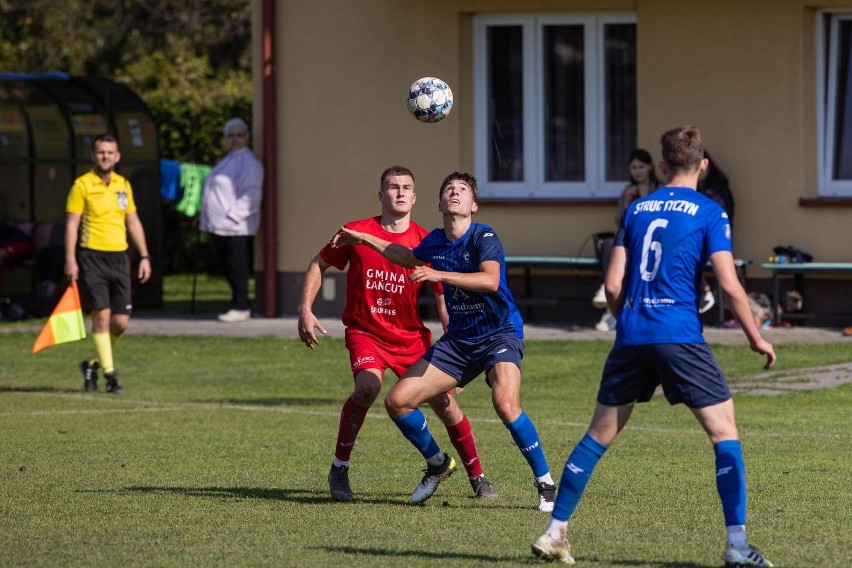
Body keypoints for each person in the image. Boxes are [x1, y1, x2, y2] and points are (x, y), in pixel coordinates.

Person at [531, 126, 777, 566]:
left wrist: (627, 316)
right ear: (702, 165)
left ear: (662, 166)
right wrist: (756, 338)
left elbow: (612, 283)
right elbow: (729, 285)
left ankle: (555, 532)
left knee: (596, 436)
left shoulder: (638, 208)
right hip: (679, 334)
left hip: (632, 334)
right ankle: (738, 547)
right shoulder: (710, 211)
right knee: (724, 433)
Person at [333, 171, 556, 511]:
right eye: (448, 189)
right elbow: (406, 256)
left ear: (473, 205)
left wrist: (438, 274)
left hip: (499, 333)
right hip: (459, 342)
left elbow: (491, 281)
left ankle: (545, 484)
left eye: (462, 190)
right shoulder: (435, 241)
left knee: (505, 404)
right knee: (397, 401)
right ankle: (437, 463)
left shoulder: (484, 236)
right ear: (439, 203)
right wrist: (364, 238)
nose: (454, 193)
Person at [298, 166, 497, 503]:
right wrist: (305, 308)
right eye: (393, 187)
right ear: (381, 195)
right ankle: (340, 468)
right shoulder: (356, 232)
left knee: (446, 405)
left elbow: (442, 297)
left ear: (416, 197)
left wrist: (457, 353)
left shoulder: (427, 241)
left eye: (407, 187)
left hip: (410, 338)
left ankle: (477, 476)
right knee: (367, 388)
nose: (400, 192)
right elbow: (319, 263)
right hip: (366, 333)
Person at [65, 134, 152, 394]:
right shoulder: (82, 185)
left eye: (110, 152)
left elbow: (133, 221)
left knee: (121, 322)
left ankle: (91, 364)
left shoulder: (123, 185)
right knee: (101, 316)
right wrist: (71, 259)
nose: (105, 156)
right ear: (93, 156)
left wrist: (144, 256)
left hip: (119, 258)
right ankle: (111, 375)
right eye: (101, 152)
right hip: (92, 257)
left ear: (117, 156)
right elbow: (72, 224)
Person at [199, 117, 264, 323]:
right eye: (231, 135)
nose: (235, 139)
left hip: (235, 227)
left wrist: (233, 217)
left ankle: (241, 306)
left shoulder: (249, 163)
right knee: (228, 267)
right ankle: (237, 304)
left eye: (240, 135)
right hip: (218, 226)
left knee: (237, 267)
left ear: (247, 137)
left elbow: (251, 194)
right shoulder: (227, 161)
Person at [592, 149, 663, 331]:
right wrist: (627, 201)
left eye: (641, 166)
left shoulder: (660, 189)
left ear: (650, 167)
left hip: (654, 242)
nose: (637, 171)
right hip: (630, 241)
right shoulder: (627, 191)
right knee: (609, 243)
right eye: (633, 167)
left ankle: (612, 304)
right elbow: (620, 222)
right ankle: (607, 291)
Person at [696, 150, 736, 315]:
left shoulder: (717, 191)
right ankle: (703, 288)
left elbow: (719, 220)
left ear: (705, 165)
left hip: (714, 240)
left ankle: (703, 289)